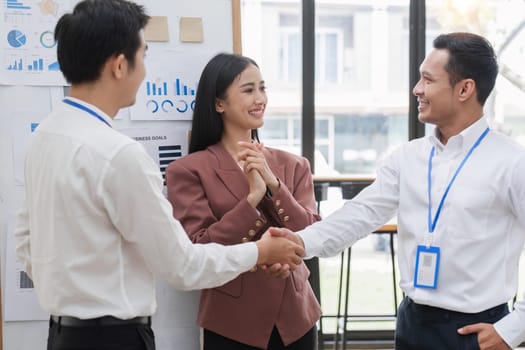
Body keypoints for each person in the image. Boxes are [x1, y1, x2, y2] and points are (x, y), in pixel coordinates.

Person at [14, 1, 305, 350]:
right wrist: (260, 252)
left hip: (62, 334)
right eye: (144, 55)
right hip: (115, 337)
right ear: (120, 65)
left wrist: (70, 289)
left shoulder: (45, 136)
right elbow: (181, 265)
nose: (146, 72)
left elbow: (25, 241)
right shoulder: (119, 154)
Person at [271, 32, 525, 349]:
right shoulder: (408, 158)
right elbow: (359, 215)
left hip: (476, 331)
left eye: (428, 80)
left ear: (464, 89)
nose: (416, 89)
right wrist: (298, 242)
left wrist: (512, 329)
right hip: (412, 323)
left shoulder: (513, 162)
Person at [165, 53, 322, 350]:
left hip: (296, 317)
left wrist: (273, 185)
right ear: (219, 103)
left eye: (262, 88)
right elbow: (198, 248)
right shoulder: (187, 170)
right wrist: (252, 200)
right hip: (233, 322)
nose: (260, 98)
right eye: (248, 90)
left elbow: (312, 234)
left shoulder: (294, 165)